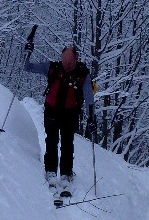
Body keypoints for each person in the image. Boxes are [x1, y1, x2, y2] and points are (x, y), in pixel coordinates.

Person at [24, 39, 96, 185]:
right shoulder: (51, 68)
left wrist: (91, 118)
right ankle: (50, 171)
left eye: (70, 62)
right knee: (51, 140)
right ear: (61, 58)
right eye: (64, 61)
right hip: (51, 110)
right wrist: (28, 52)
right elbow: (27, 67)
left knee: (67, 143)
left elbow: (89, 97)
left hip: (70, 113)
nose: (67, 65)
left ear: (76, 59)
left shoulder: (82, 74)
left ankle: (66, 173)